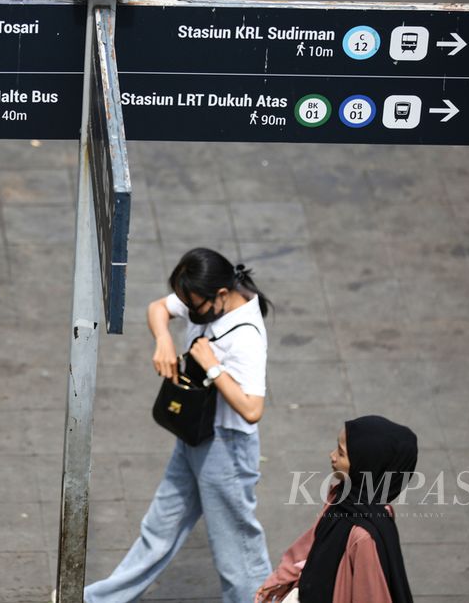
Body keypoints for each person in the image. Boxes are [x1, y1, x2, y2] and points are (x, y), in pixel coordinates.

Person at [84, 247, 274, 603]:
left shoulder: (246, 335)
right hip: (195, 435)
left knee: (237, 551)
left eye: (195, 306)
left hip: (227, 448)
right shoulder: (206, 294)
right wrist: (163, 340)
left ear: (220, 295)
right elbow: (158, 308)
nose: (190, 312)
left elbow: (252, 409)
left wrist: (213, 366)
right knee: (159, 530)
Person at [255, 415, 418, 603]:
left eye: (341, 453)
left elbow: (370, 594)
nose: (332, 456)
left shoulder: (364, 536)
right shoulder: (341, 496)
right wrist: (279, 580)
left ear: (365, 464)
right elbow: (313, 542)